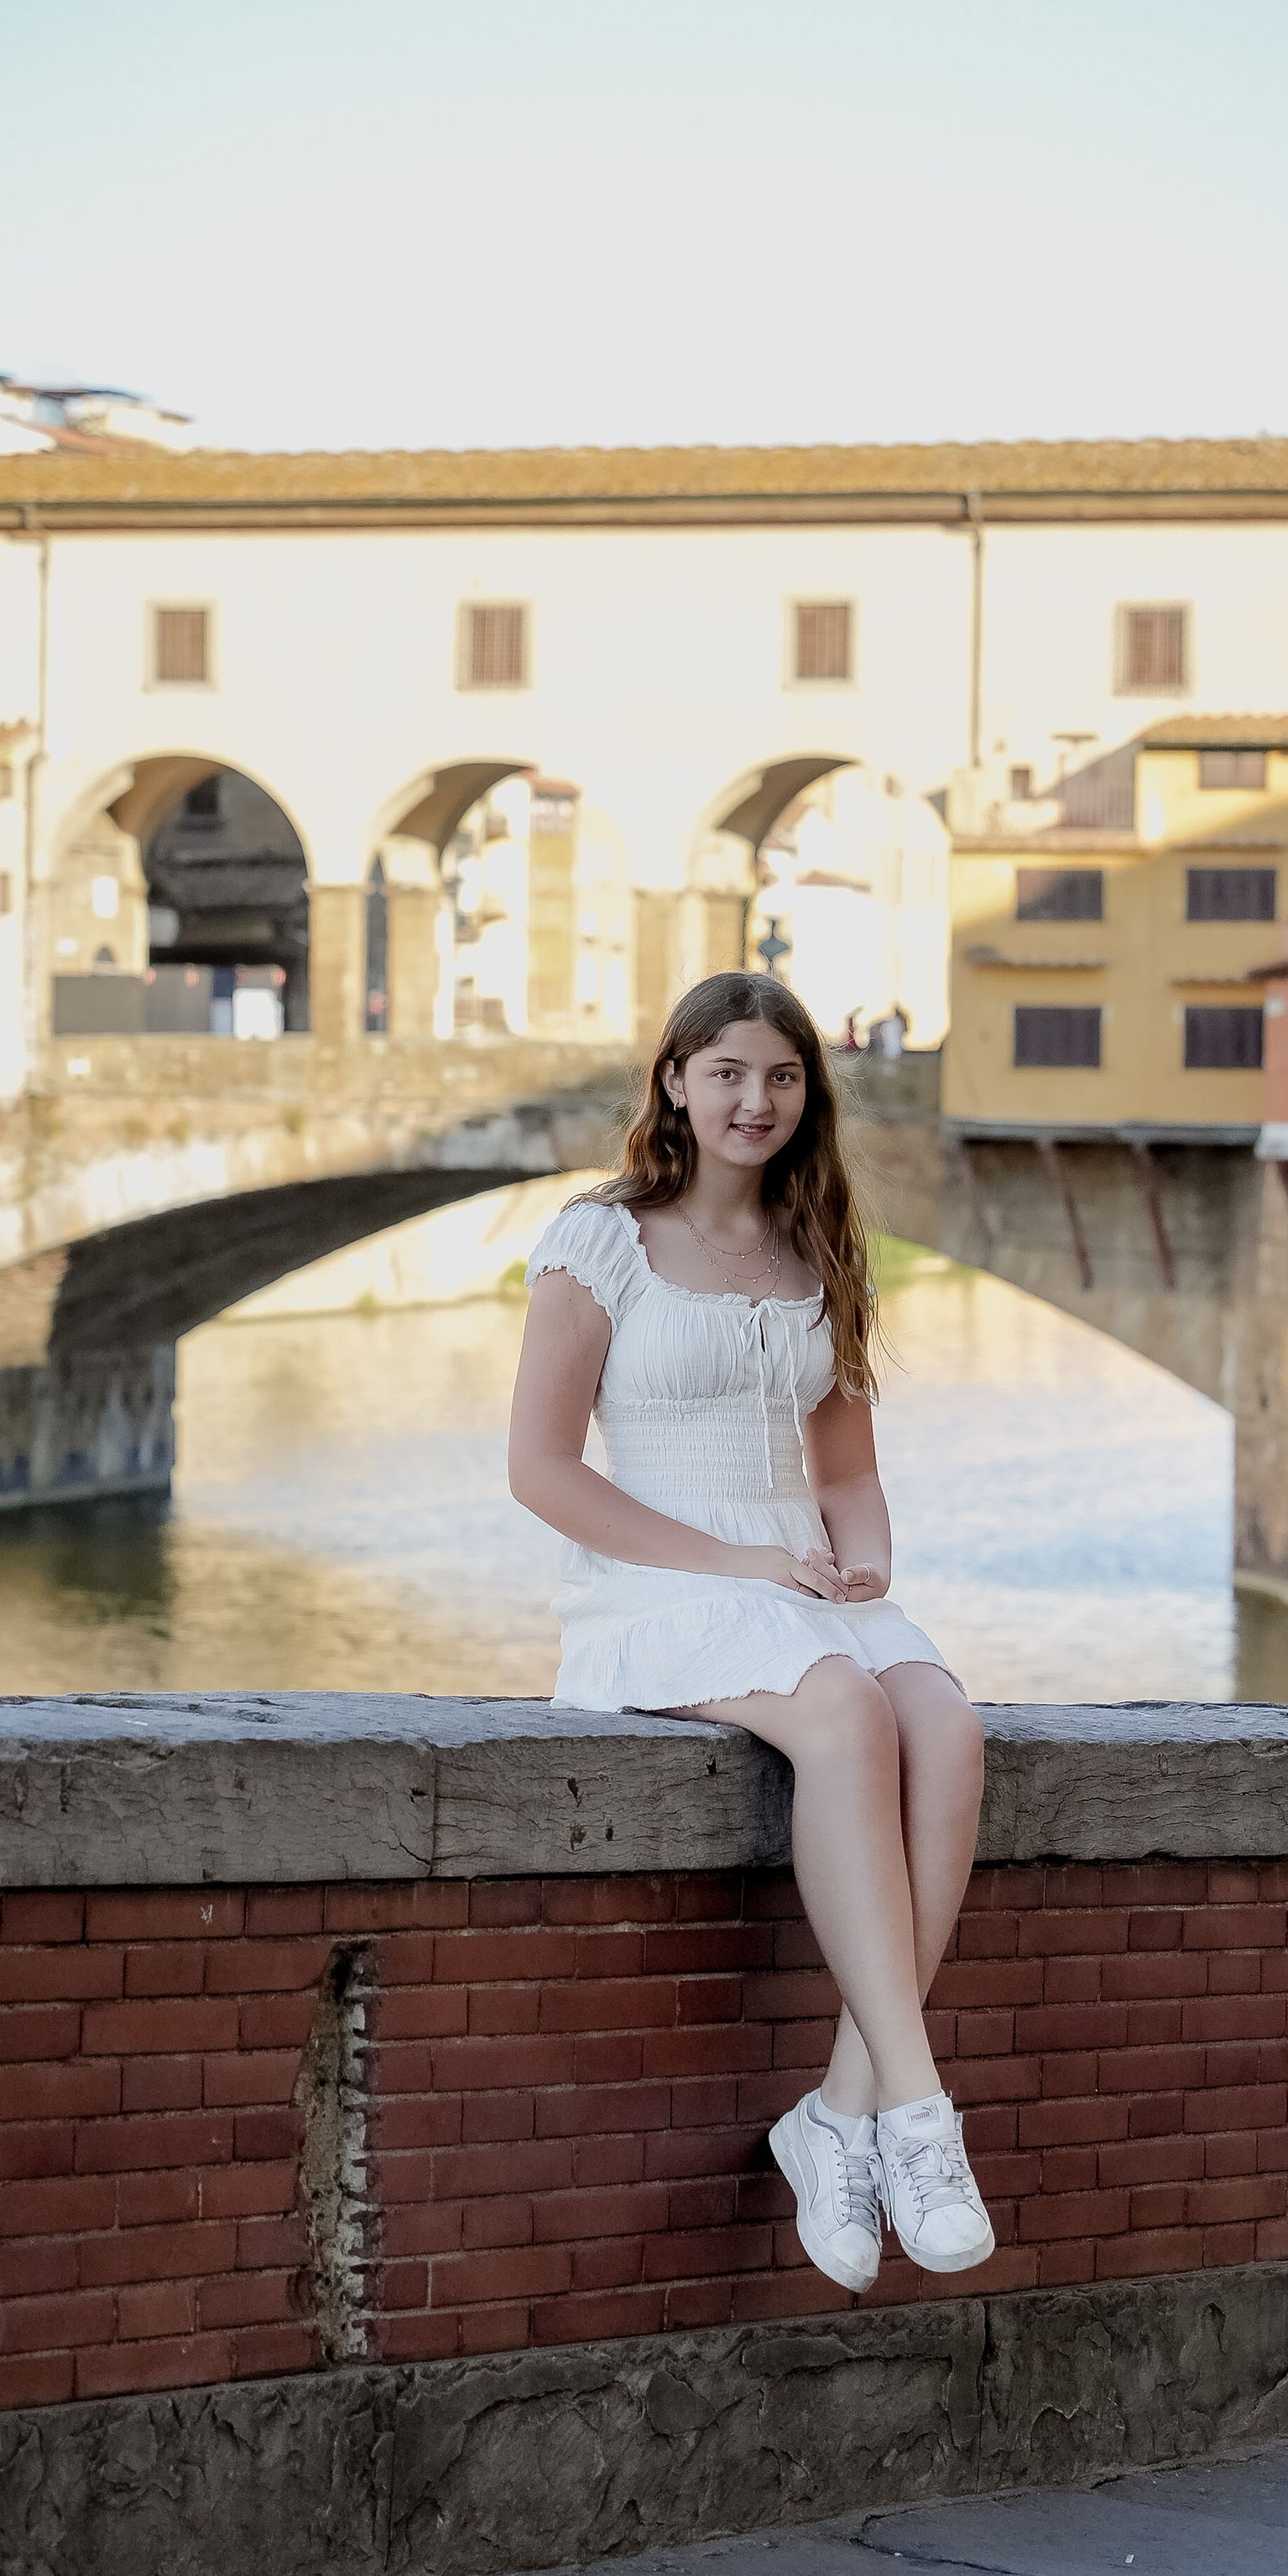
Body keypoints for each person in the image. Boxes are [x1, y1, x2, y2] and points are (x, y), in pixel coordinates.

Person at [507, 970, 993, 2291]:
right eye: (725, 1073)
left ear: (805, 1095)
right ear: (674, 1081)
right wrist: (737, 1560)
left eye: (780, 1077)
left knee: (944, 1728)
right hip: (655, 1576)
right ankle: (919, 2115)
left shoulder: (819, 1246)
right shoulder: (597, 1241)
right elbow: (544, 1473)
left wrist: (868, 1559)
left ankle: (837, 2115)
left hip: (798, 1576)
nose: (753, 1100)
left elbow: (845, 1475)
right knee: (844, 1711)